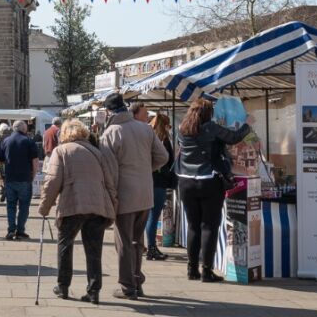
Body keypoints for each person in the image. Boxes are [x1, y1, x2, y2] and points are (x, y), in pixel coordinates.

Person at [38, 119, 118, 304]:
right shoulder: (97, 153)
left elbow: (52, 182)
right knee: (94, 249)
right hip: (97, 206)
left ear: (64, 134)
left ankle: (63, 286)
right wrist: (113, 206)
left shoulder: (62, 151)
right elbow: (109, 182)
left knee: (65, 244)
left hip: (73, 204)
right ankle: (94, 290)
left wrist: (44, 207)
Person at [99, 93, 169, 300]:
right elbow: (163, 157)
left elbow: (108, 169)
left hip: (124, 194)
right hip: (145, 193)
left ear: (109, 111)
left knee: (123, 241)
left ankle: (127, 286)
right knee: (138, 241)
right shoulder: (145, 128)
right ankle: (137, 280)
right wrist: (146, 170)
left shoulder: (111, 133)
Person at [176, 99, 251, 282]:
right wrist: (247, 125)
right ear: (208, 113)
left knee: (193, 226)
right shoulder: (211, 127)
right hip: (209, 180)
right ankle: (207, 271)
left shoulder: (182, 129)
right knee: (209, 226)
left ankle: (192, 269)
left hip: (186, 182)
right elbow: (233, 138)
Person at [0, 120, 39, 240]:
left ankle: (11, 230)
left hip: (10, 178)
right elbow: (35, 161)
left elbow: (0, 159)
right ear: (24, 129)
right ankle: (20, 230)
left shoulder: (6, 141)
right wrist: (34, 175)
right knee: (24, 205)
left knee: (10, 205)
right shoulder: (29, 141)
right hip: (24, 178)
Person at [146, 112, 175, 262]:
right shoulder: (163, 140)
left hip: (148, 180)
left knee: (148, 216)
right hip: (159, 181)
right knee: (153, 215)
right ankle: (151, 248)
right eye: (168, 125)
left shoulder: (149, 138)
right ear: (164, 125)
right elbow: (168, 160)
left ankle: (147, 246)